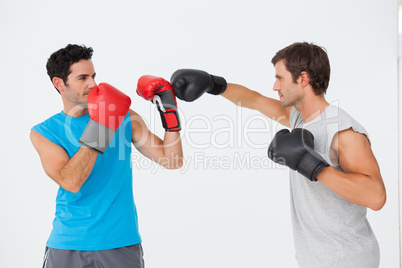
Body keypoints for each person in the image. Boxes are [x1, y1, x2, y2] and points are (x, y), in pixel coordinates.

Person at [169, 42, 386, 268]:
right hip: (316, 259)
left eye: (280, 78)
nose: (274, 86)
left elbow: (376, 196)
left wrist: (312, 165)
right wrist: (214, 84)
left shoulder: (342, 131)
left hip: (346, 260)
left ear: (302, 79)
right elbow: (254, 100)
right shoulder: (300, 118)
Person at [30, 44, 183, 268]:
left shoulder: (124, 116)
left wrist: (169, 112)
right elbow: (71, 181)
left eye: (93, 76)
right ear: (59, 83)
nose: (93, 84)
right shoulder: (45, 132)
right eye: (83, 78)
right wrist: (102, 124)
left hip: (122, 242)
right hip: (69, 244)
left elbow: (172, 160)